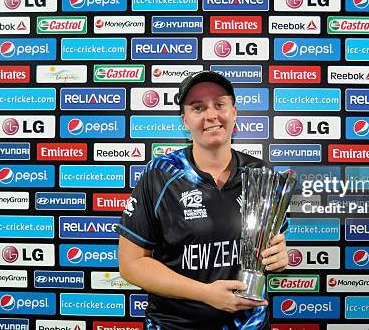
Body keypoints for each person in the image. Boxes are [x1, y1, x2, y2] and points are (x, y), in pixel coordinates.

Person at [118, 71, 288, 330]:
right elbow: (131, 265)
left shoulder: (261, 173)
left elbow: (271, 246)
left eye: (219, 104)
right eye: (198, 108)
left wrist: (278, 256)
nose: (211, 115)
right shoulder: (160, 174)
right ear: (185, 120)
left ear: (234, 112)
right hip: (175, 325)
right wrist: (206, 293)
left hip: (248, 325)